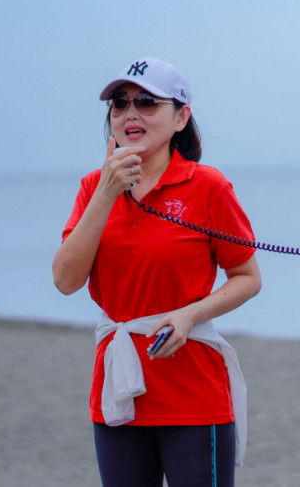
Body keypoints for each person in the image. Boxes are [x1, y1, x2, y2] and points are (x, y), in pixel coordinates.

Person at [52, 56, 261, 487]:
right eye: (119, 103)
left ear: (181, 116)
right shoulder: (94, 187)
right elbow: (66, 280)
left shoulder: (208, 185)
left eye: (147, 102)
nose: (130, 113)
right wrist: (107, 194)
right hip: (118, 387)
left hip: (193, 390)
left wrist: (189, 315)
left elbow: (247, 277)